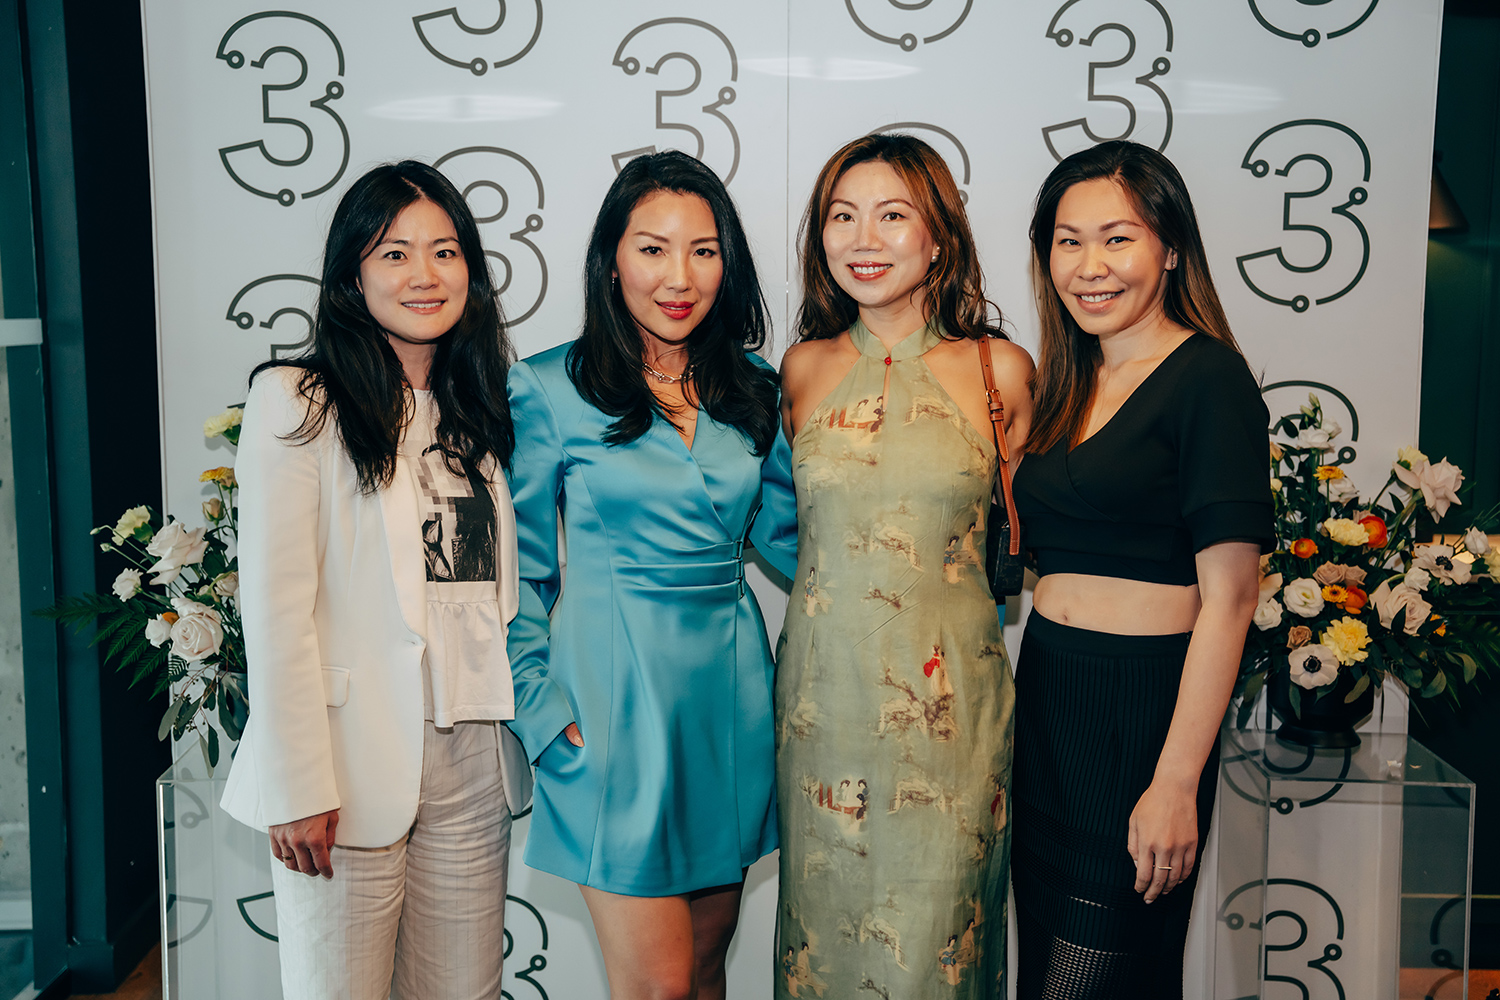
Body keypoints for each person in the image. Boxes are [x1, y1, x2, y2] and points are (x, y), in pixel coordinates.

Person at [220, 160, 547, 999]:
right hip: (347, 766)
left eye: (445, 252)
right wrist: (298, 782)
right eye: (395, 253)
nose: (424, 275)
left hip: (473, 759)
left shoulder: (479, 408)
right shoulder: (298, 401)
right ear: (351, 272)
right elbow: (276, 605)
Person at [504, 150, 782, 1000]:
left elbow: (802, 541)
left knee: (704, 972)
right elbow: (515, 574)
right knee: (657, 986)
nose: (680, 276)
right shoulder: (549, 387)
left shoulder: (756, 388)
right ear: (611, 259)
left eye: (703, 249)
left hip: (729, 708)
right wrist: (541, 713)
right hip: (612, 712)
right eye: (653, 248)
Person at [771, 133, 1034, 998]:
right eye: (842, 218)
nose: (863, 240)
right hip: (823, 710)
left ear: (938, 237)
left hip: (951, 717)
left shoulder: (1000, 370)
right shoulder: (802, 371)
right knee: (825, 949)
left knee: (936, 952)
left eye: (892, 216)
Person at [1010, 140, 1271, 997]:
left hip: (1138, 721)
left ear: (1170, 246)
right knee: (1043, 968)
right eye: (1067, 240)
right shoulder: (1063, 380)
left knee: (1089, 982)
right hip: (1047, 705)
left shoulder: (1209, 379)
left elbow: (1231, 601)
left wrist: (1173, 782)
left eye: (1117, 238)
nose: (1090, 266)